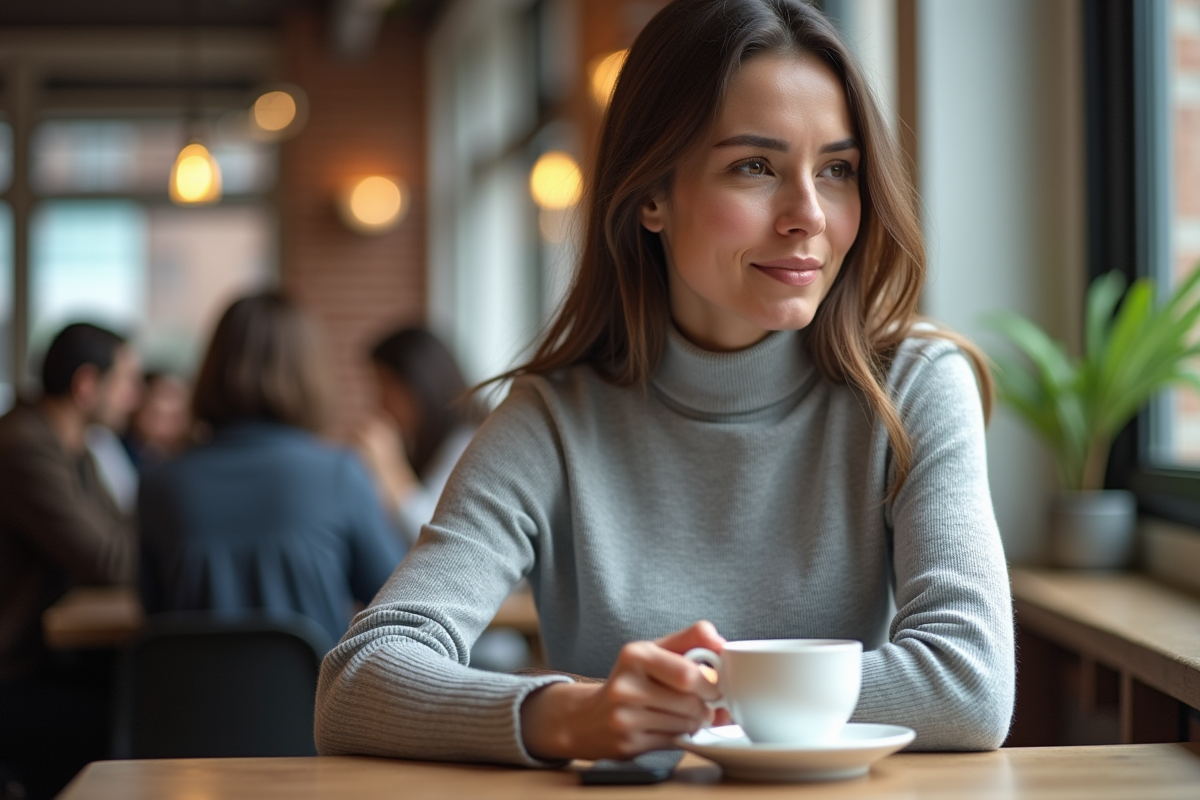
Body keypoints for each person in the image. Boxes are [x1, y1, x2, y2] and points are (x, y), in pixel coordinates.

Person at [315, 0, 1014, 766]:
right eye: (755, 167)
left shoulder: (913, 385)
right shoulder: (553, 421)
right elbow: (357, 682)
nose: (809, 215)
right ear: (652, 194)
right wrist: (568, 714)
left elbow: (969, 682)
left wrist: (690, 697)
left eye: (837, 170)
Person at [138, 292, 406, 646]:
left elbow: (153, 613)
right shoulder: (339, 475)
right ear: (310, 373)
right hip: (315, 684)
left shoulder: (159, 484)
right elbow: (396, 603)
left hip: (188, 683)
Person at [0, 322, 142, 800]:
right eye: (125, 382)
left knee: (145, 696)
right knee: (132, 723)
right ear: (86, 384)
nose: (134, 397)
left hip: (44, 657)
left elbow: (120, 535)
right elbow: (110, 559)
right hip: (13, 673)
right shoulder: (23, 446)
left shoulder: (72, 446)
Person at [355, 327, 481, 546]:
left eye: (386, 387)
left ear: (420, 384)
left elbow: (435, 539)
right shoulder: (420, 443)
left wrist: (390, 467)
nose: (380, 402)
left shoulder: (470, 444)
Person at [122, 371, 192, 472]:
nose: (167, 427)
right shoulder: (115, 450)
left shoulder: (190, 458)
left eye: (176, 417)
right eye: (156, 414)